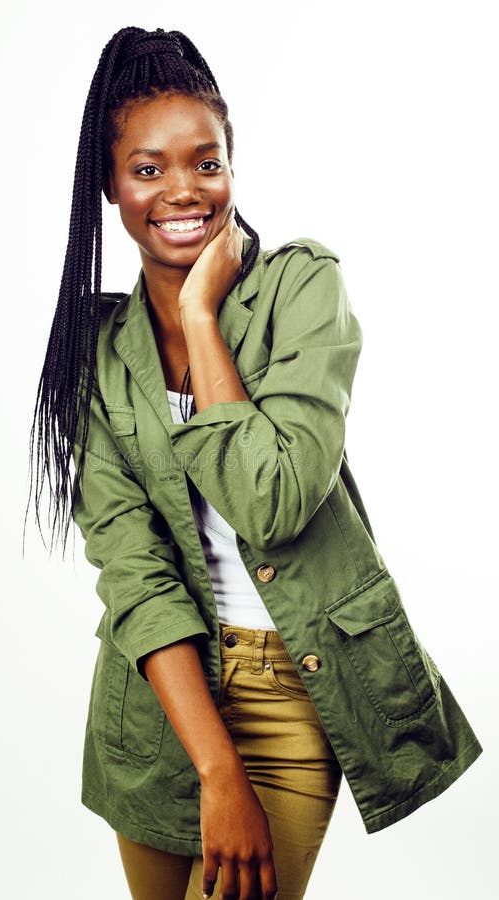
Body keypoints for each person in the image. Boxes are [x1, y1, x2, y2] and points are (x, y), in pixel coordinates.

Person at [27, 26, 483, 900]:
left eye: (207, 162)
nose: (182, 190)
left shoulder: (303, 290)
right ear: (109, 186)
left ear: (234, 167)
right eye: (148, 169)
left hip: (290, 692)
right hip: (160, 704)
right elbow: (133, 569)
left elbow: (272, 498)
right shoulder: (96, 348)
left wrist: (201, 320)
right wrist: (214, 769)